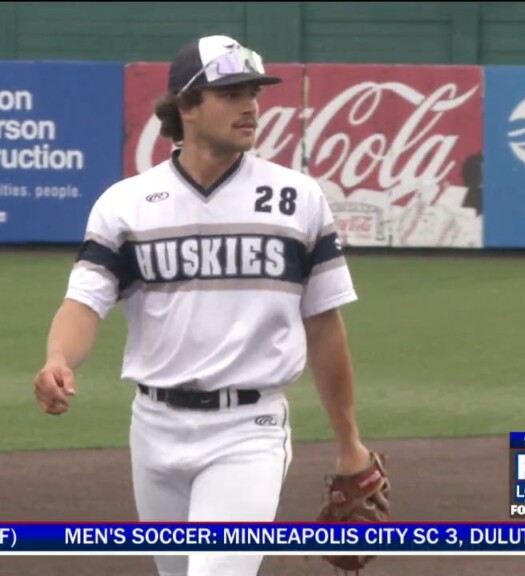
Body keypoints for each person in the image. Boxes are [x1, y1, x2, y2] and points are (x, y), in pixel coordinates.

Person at [33, 34, 379, 576]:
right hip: (152, 428)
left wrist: (349, 443)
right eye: (231, 92)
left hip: (250, 428)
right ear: (186, 107)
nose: (251, 105)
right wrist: (59, 360)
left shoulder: (297, 200)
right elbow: (85, 299)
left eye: (254, 91)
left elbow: (325, 326)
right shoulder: (126, 205)